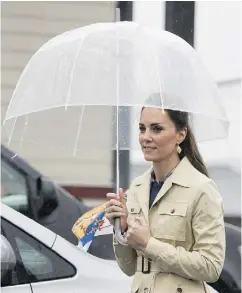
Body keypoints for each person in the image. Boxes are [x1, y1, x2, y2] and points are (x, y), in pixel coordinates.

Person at [105, 94, 225, 293]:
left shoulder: (201, 189)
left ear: (181, 134)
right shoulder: (136, 187)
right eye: (142, 128)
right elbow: (128, 268)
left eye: (157, 128)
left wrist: (149, 244)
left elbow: (211, 267)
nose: (146, 137)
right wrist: (122, 228)